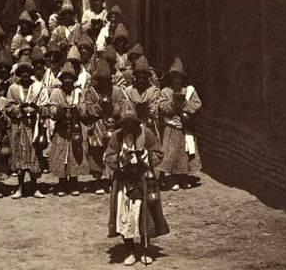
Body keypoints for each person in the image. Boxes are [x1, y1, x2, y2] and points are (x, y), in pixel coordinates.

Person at [104, 101, 169, 266]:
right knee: (125, 214)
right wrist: (121, 158)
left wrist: (145, 155)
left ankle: (145, 249)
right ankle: (129, 250)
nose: (128, 127)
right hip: (124, 181)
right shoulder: (116, 137)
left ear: (136, 124)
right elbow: (108, 157)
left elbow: (159, 154)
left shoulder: (146, 134)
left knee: (145, 213)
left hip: (143, 179)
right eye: (125, 124)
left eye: (131, 124)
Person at [6, 55, 48, 199]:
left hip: (33, 126)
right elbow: (8, 107)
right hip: (19, 126)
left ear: (31, 72)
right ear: (19, 73)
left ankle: (35, 186)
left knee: (35, 154)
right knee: (19, 154)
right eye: (22, 71)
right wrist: (20, 108)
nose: (25, 74)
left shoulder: (38, 87)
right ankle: (20, 187)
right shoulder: (13, 88)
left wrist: (37, 108)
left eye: (27, 71)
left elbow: (45, 106)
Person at [81, 59, 126, 194]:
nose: (103, 83)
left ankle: (112, 180)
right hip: (96, 126)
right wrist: (99, 107)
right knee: (96, 153)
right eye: (100, 80)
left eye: (105, 80)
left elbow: (123, 106)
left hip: (113, 125)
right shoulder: (91, 91)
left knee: (113, 152)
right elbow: (86, 108)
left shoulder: (116, 91)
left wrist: (113, 109)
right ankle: (98, 181)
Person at [157, 57, 202, 190]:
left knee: (185, 153)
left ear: (183, 78)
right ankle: (174, 179)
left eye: (179, 77)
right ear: (171, 78)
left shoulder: (189, 91)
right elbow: (161, 105)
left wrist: (185, 104)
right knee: (172, 153)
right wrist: (171, 104)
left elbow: (197, 104)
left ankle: (184, 178)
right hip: (171, 127)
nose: (177, 80)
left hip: (185, 127)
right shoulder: (165, 91)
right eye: (174, 77)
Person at [49, 63, 90, 196]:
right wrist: (58, 111)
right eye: (65, 78)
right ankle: (61, 183)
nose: (67, 80)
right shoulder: (56, 93)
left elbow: (84, 110)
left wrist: (77, 109)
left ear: (74, 79)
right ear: (61, 79)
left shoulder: (79, 93)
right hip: (61, 128)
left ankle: (73, 181)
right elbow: (52, 110)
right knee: (61, 153)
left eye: (70, 78)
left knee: (75, 152)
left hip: (75, 127)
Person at [125, 57, 161, 138]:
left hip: (149, 126)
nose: (141, 80)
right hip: (133, 126)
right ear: (135, 77)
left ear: (148, 78)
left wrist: (149, 108)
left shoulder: (153, 90)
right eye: (139, 77)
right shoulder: (129, 91)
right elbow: (126, 109)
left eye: (144, 77)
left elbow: (156, 111)